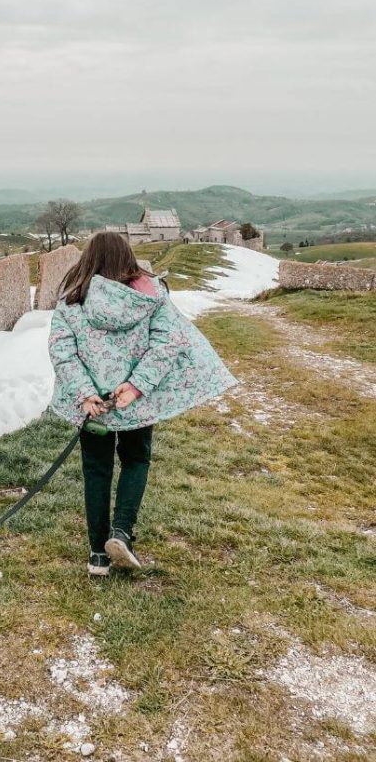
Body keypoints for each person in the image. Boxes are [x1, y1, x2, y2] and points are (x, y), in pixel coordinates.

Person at [48, 232, 236, 576]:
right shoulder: (152, 297)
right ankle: (121, 532)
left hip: (94, 408)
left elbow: (62, 352)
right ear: (127, 258)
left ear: (88, 259)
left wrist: (85, 393)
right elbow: (167, 343)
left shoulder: (72, 300)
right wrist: (136, 387)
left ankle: (97, 556)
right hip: (134, 403)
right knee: (135, 460)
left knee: (96, 470)